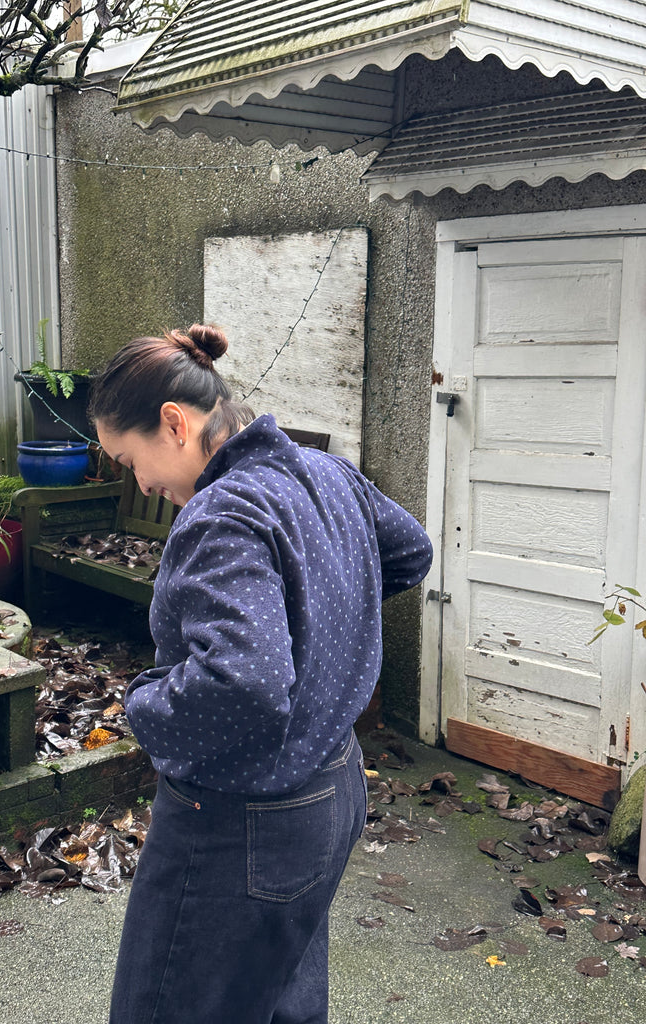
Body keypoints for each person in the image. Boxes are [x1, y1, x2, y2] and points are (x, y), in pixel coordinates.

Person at [89, 323, 433, 1024]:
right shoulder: (325, 472)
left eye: (128, 461)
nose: (141, 483)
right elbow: (409, 551)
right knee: (278, 1000)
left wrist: (143, 705)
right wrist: (323, 632)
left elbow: (243, 681)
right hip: (333, 791)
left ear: (175, 424)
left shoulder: (221, 515)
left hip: (242, 821)